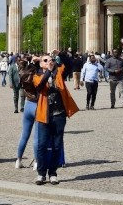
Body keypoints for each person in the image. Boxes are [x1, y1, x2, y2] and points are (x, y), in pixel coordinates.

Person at [33, 54, 78, 185]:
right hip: (44, 115)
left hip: (59, 115)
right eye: (46, 61)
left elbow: (70, 64)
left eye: (51, 60)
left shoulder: (59, 73)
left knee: (57, 146)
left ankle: (53, 173)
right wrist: (48, 71)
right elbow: (40, 86)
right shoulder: (37, 76)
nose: (49, 62)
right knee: (41, 145)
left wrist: (60, 54)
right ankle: (41, 173)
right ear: (41, 64)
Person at [14, 59, 38, 169]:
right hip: (37, 105)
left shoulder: (22, 76)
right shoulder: (35, 78)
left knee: (24, 135)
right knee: (37, 136)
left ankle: (18, 160)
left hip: (28, 105)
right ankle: (37, 162)